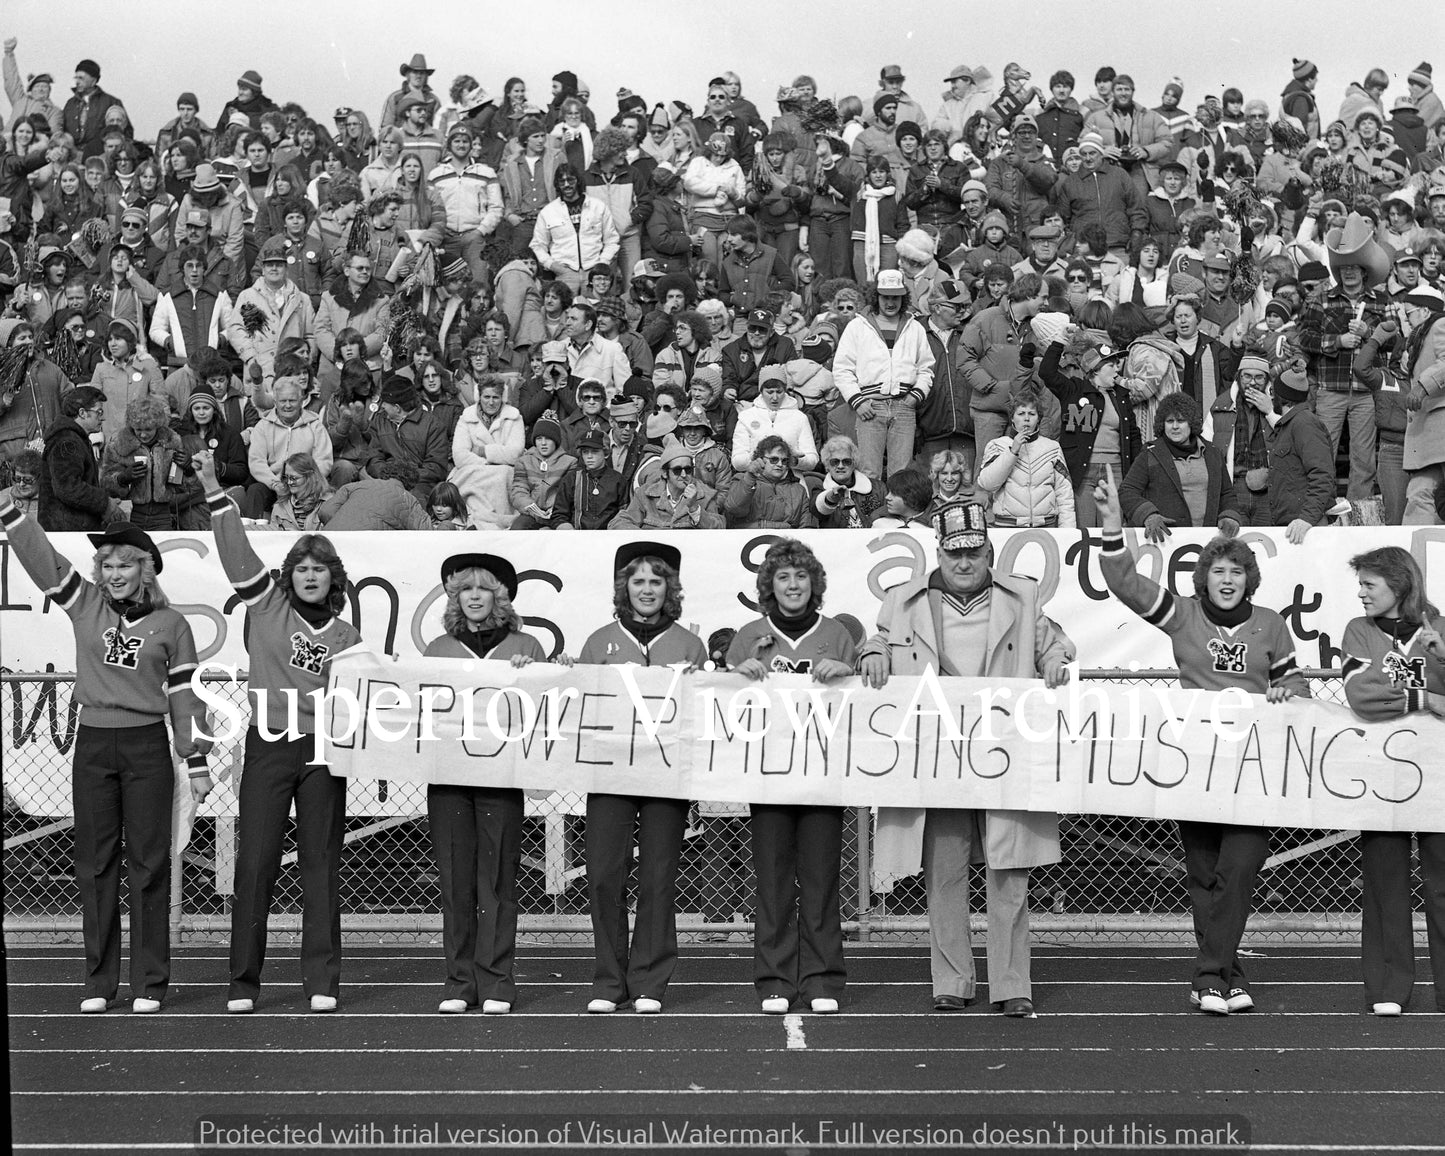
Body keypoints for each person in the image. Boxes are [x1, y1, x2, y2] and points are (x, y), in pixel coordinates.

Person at [1093, 467, 1306, 1013]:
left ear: (1249, 579)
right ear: (1203, 578)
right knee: (1205, 873)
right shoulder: (1183, 617)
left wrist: (1290, 694)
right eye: (1218, 571)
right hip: (1197, 766)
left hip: (1254, 768)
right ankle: (1225, 978)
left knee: (1240, 868)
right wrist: (1114, 528)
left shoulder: (1271, 624)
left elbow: (1294, 682)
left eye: (1236, 571)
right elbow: (1126, 585)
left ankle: (1209, 973)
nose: (1227, 580)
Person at [860, 500, 1072, 1015]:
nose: (963, 562)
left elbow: (1055, 642)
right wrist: (872, 652)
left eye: (973, 553)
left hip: (1005, 753)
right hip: (938, 757)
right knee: (945, 872)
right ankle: (951, 980)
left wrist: (1056, 660)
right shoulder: (903, 601)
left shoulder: (1022, 598)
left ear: (989, 551)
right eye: (954, 553)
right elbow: (880, 639)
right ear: (938, 552)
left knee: (1010, 872)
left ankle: (1011, 984)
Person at [0, 507, 209, 1015]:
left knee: (149, 863)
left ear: (146, 569)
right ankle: (99, 981)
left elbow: (185, 696)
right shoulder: (85, 605)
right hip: (93, 745)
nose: (114, 574)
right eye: (107, 565)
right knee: (95, 864)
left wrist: (196, 759)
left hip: (146, 749)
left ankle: (150, 984)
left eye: (124, 564)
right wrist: (11, 513)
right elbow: (43, 561)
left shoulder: (173, 624)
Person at [197, 451, 361, 1015]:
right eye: (301, 568)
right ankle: (244, 983)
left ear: (332, 577)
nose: (310, 575)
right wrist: (215, 490)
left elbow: (367, 698)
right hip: (270, 743)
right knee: (256, 863)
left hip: (322, 755)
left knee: (321, 867)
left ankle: (322, 982)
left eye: (320, 568)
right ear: (288, 575)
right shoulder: (266, 607)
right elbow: (236, 555)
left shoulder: (346, 635)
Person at [577, 542, 708, 1014]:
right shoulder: (598, 641)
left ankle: (650, 980)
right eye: (638, 581)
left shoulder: (689, 643)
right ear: (623, 588)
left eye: (656, 581)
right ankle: (610, 981)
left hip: (666, 778)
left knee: (658, 877)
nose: (647, 589)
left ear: (669, 588)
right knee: (604, 876)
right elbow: (579, 709)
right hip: (610, 775)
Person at [725, 540, 854, 1013]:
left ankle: (822, 981)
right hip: (769, 777)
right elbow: (722, 698)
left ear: (814, 583)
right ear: (769, 585)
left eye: (801, 576)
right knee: (774, 881)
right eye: (783, 577)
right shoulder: (750, 633)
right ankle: (775, 979)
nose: (793, 584)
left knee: (820, 880)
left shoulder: (836, 633)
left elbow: (862, 696)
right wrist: (738, 671)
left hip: (822, 777)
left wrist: (849, 669)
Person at [422, 553, 544, 1015]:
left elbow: (550, 706)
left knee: (496, 881)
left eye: (483, 587)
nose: (473, 596)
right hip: (450, 778)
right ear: (455, 597)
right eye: (464, 589)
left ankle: (496, 981)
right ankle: (459, 982)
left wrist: (533, 674)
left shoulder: (526, 645)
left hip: (501, 778)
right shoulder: (437, 648)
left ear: (501, 595)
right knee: (455, 881)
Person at [1340, 547, 1445, 1016]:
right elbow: (1362, 696)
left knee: (1443, 882)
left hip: (1439, 772)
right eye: (1360, 583)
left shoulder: (1438, 627)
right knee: (1385, 879)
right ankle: (1388, 986)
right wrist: (1429, 698)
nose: (1360, 593)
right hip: (1382, 776)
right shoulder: (1357, 631)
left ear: (1399, 584)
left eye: (1369, 584)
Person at [833, 269, 934, 478]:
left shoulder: (914, 327)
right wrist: (857, 401)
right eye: (885, 297)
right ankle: (870, 511)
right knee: (869, 472)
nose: (890, 302)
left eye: (895, 297)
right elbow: (842, 369)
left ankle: (897, 512)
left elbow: (926, 367)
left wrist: (915, 397)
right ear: (876, 297)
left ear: (903, 298)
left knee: (901, 473)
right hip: (870, 405)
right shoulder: (857, 326)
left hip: (904, 406)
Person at [974, 389, 1075, 528]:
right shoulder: (996, 446)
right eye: (1021, 414)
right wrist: (1013, 451)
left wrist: (1067, 533)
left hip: (1046, 527)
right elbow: (987, 484)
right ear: (1012, 418)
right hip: (1007, 527)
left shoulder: (1053, 448)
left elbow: (1065, 494)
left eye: (1032, 414)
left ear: (1038, 418)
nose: (1026, 418)